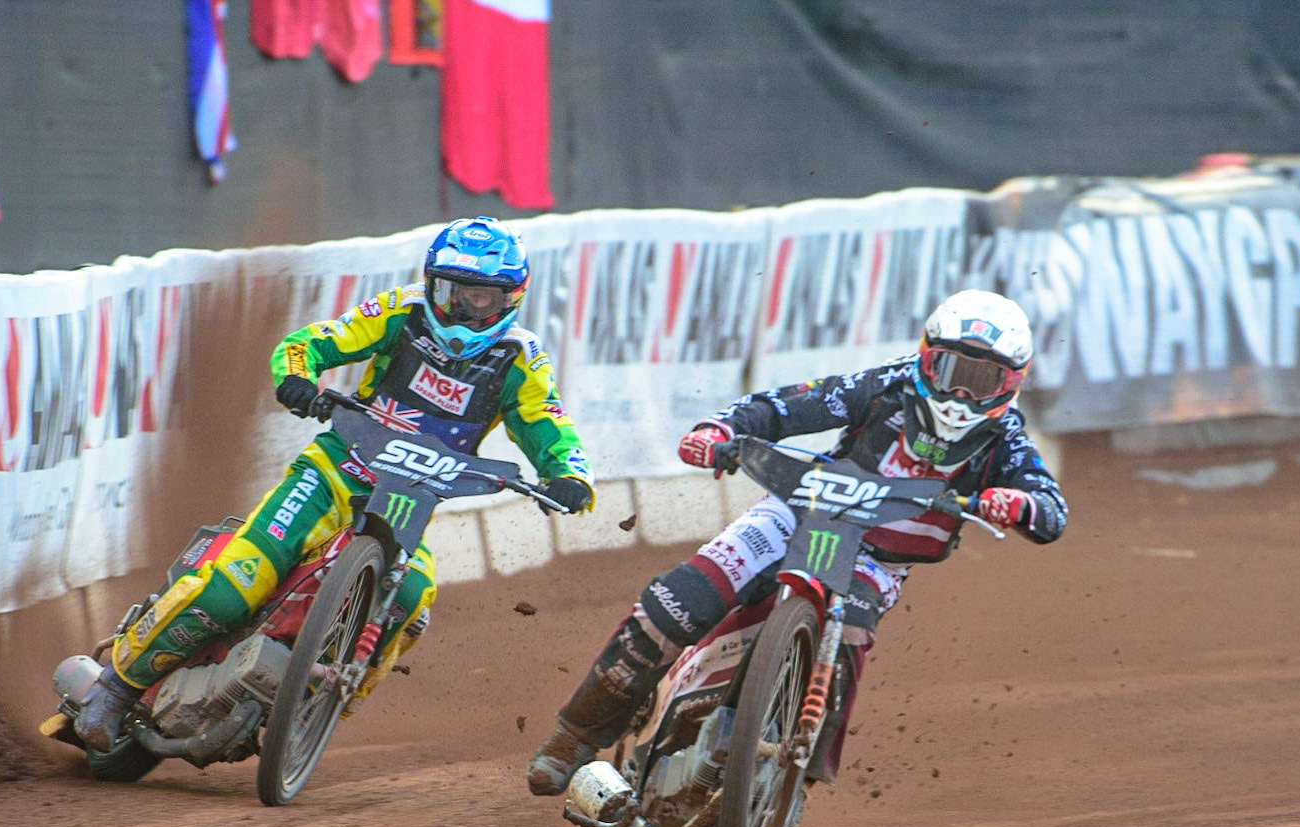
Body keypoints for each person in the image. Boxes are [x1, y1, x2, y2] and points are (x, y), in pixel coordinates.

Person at [76, 216, 596, 751]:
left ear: (509, 299)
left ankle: (312, 710)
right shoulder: (403, 311)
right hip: (335, 471)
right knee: (237, 584)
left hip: (408, 501)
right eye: (452, 291)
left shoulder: (521, 358)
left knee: (413, 595)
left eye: (480, 299)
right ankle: (115, 688)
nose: (463, 308)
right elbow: (315, 342)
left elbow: (548, 423)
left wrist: (570, 474)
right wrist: (298, 378)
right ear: (432, 282)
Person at [527, 289, 1067, 795]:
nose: (960, 394)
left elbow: (1050, 508)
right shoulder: (886, 387)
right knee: (678, 601)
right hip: (800, 514)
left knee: (851, 633)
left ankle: (795, 778)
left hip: (876, 560)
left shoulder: (1006, 440)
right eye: (950, 371)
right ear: (926, 361)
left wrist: (1020, 504)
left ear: (1010, 384)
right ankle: (575, 734)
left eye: (982, 379)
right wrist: (720, 431)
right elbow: (792, 406)